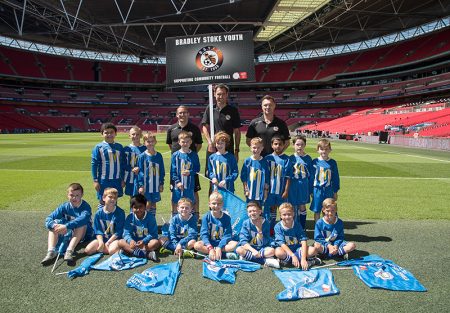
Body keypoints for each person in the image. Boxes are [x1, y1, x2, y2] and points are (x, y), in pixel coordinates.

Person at [41, 183, 93, 265]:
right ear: (67, 195)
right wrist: (54, 226)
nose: (74, 198)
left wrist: (65, 226)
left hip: (84, 234)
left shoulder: (85, 207)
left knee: (81, 224)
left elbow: (82, 219)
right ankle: (51, 251)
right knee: (54, 223)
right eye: (71, 195)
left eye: (77, 195)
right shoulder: (64, 206)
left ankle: (69, 251)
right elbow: (49, 218)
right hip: (68, 232)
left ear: (82, 195)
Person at [166, 105, 203, 213]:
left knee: (194, 190)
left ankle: (195, 214)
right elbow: (170, 145)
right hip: (177, 166)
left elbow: (199, 145)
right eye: (180, 113)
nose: (182, 114)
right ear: (177, 114)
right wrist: (177, 155)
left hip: (190, 164)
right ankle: (174, 214)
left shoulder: (194, 128)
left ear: (188, 114)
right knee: (174, 190)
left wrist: (190, 156)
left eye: (185, 112)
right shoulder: (171, 128)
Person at [201, 83, 241, 162]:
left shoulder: (233, 110)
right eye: (219, 94)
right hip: (213, 147)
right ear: (214, 94)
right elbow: (205, 127)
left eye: (223, 94)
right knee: (211, 173)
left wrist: (236, 151)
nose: (221, 96)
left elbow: (237, 132)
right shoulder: (210, 108)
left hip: (228, 148)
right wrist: (210, 142)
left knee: (227, 172)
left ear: (227, 95)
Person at [274, 203, 321, 270]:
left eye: (289, 214)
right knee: (278, 252)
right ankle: (310, 261)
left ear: (293, 214)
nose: (287, 217)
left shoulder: (297, 225)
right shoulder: (278, 226)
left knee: (313, 250)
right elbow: (282, 244)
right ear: (280, 216)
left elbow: (304, 241)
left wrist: (303, 258)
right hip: (286, 250)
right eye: (284, 215)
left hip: (297, 249)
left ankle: (288, 261)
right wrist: (293, 256)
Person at [194, 191, 238, 260]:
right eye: (213, 203)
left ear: (222, 204)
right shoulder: (206, 217)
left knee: (235, 244)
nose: (216, 206)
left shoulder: (227, 217)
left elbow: (227, 235)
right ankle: (222, 254)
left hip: (222, 244)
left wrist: (219, 247)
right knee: (197, 245)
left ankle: (210, 253)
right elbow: (203, 234)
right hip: (209, 243)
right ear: (209, 204)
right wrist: (210, 248)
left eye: (219, 204)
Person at [236, 201, 279, 268]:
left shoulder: (266, 222)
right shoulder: (246, 223)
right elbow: (243, 240)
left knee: (272, 251)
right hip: (251, 248)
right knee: (239, 249)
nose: (252, 213)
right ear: (247, 213)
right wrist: (253, 251)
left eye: (254, 211)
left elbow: (267, 240)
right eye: (250, 211)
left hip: (262, 247)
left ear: (260, 211)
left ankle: (248, 258)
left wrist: (259, 231)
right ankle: (264, 261)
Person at [117, 194, 160, 261]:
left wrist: (144, 241)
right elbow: (126, 233)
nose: (138, 209)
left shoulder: (150, 217)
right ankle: (146, 254)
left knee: (156, 243)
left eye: (141, 206)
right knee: (120, 242)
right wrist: (130, 241)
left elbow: (153, 234)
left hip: (145, 243)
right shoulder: (130, 218)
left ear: (145, 206)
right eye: (135, 207)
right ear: (132, 208)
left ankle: (130, 251)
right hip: (133, 243)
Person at [84, 188, 125, 255]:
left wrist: (108, 242)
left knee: (111, 251)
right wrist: (101, 242)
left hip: (114, 239)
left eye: (115, 198)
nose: (112, 199)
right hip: (101, 238)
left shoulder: (120, 213)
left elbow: (119, 231)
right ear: (103, 198)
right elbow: (97, 230)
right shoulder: (99, 213)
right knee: (88, 250)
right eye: (110, 197)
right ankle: (105, 247)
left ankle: (120, 249)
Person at [264, 136, 292, 232]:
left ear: (284, 145)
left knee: (282, 209)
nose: (278, 146)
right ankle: (271, 228)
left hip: (281, 190)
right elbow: (265, 175)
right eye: (275, 144)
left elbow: (288, 177)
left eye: (280, 144)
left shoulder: (287, 159)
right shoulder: (267, 158)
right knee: (271, 208)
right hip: (270, 190)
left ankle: (282, 229)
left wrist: (286, 190)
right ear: (272, 145)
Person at [91, 123, 125, 202]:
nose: (109, 134)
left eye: (111, 132)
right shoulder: (98, 147)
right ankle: (102, 214)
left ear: (115, 133)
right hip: (103, 180)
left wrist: (123, 179)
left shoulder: (119, 147)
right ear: (102, 134)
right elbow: (94, 164)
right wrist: (95, 180)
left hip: (116, 180)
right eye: (106, 132)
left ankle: (113, 214)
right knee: (103, 200)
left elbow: (122, 164)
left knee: (114, 200)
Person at [170, 131, 200, 216]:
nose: (185, 143)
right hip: (178, 184)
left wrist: (190, 172)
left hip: (189, 184)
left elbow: (197, 169)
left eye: (187, 141)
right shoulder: (175, 155)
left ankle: (191, 220)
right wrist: (178, 182)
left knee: (190, 202)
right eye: (183, 142)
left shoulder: (194, 155)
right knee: (177, 201)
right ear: (179, 142)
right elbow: (173, 171)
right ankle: (176, 219)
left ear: (190, 142)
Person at [310, 139, 340, 222]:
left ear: (330, 150)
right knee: (317, 210)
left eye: (326, 149)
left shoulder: (332, 162)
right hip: (317, 190)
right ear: (318, 150)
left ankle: (328, 227)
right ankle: (318, 228)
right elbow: (311, 177)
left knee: (329, 209)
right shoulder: (314, 162)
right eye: (322, 149)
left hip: (328, 189)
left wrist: (335, 191)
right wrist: (311, 191)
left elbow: (335, 178)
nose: (324, 151)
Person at [288, 135, 313, 230]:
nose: (299, 146)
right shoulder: (290, 158)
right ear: (293, 145)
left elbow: (311, 176)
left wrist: (310, 190)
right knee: (293, 206)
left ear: (305, 145)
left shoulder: (308, 158)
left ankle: (302, 227)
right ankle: (293, 227)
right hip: (293, 186)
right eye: (297, 144)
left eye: (302, 144)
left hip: (303, 185)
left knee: (302, 206)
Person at [136, 132, 165, 214]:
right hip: (146, 185)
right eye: (148, 141)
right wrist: (141, 185)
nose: (150, 143)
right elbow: (140, 172)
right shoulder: (141, 156)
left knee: (153, 203)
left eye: (152, 141)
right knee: (147, 203)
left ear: (155, 142)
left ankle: (152, 221)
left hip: (155, 184)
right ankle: (145, 220)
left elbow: (161, 170)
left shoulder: (159, 155)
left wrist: (161, 183)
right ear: (144, 143)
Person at [240, 137, 269, 205]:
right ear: (250, 148)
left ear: (262, 148)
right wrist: (245, 189)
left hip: (260, 193)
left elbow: (267, 177)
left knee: (259, 210)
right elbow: (243, 177)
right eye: (254, 147)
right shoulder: (247, 161)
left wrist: (265, 191)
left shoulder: (265, 162)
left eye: (258, 147)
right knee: (250, 209)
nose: (256, 150)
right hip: (250, 192)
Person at [123, 126, 146, 197]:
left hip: (143, 177)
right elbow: (123, 164)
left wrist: (140, 168)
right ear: (129, 136)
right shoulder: (126, 149)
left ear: (141, 135)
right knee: (132, 197)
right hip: (130, 177)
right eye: (133, 134)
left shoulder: (145, 148)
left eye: (137, 134)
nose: (135, 136)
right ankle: (132, 208)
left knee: (143, 197)